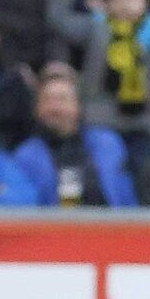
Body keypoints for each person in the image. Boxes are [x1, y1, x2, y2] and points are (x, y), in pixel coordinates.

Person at [11, 69, 136, 207]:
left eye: (62, 99)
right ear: (37, 109)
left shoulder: (108, 144)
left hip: (108, 226)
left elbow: (126, 199)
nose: (55, 108)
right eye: (47, 100)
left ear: (78, 105)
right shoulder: (25, 157)